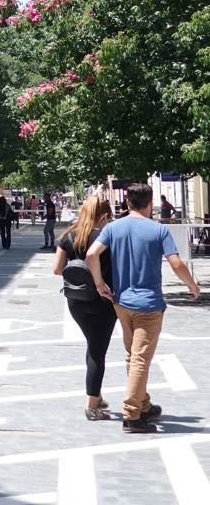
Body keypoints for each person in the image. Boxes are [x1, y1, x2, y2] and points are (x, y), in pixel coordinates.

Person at [87, 183, 201, 432]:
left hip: (122, 303)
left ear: (127, 203)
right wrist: (193, 286)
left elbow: (91, 255)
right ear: (150, 204)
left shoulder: (113, 228)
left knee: (132, 355)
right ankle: (132, 414)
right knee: (140, 359)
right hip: (148, 305)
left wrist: (99, 284)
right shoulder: (157, 230)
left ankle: (144, 403)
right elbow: (176, 263)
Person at [54, 195, 118, 421]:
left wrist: (79, 272)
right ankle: (92, 405)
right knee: (97, 352)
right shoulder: (106, 237)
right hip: (103, 301)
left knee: (93, 346)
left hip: (76, 301)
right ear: (103, 215)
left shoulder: (68, 236)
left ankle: (97, 395)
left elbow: (57, 269)